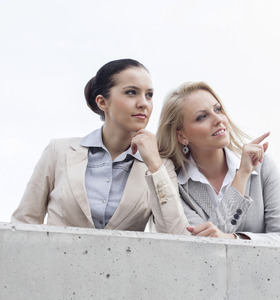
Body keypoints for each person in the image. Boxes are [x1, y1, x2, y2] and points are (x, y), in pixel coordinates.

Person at [12, 59, 189, 234]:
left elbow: (176, 234)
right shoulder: (59, 151)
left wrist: (155, 167)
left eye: (149, 95)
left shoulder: (161, 166)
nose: (143, 103)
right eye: (131, 92)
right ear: (102, 102)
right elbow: (24, 224)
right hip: (57, 260)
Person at [157, 81, 280, 243]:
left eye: (218, 109)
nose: (218, 119)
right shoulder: (176, 186)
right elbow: (203, 247)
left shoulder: (262, 166)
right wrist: (242, 175)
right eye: (202, 117)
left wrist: (233, 238)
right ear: (182, 136)